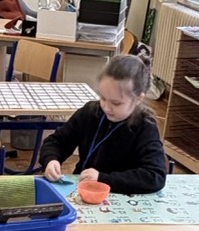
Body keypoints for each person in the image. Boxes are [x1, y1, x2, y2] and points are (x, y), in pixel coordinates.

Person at [39, 53, 166, 194]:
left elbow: (155, 176)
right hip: (83, 191)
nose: (106, 107)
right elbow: (56, 141)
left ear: (138, 99)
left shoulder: (145, 127)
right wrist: (51, 160)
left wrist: (102, 179)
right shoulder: (90, 112)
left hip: (120, 196)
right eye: (103, 98)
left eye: (116, 103)